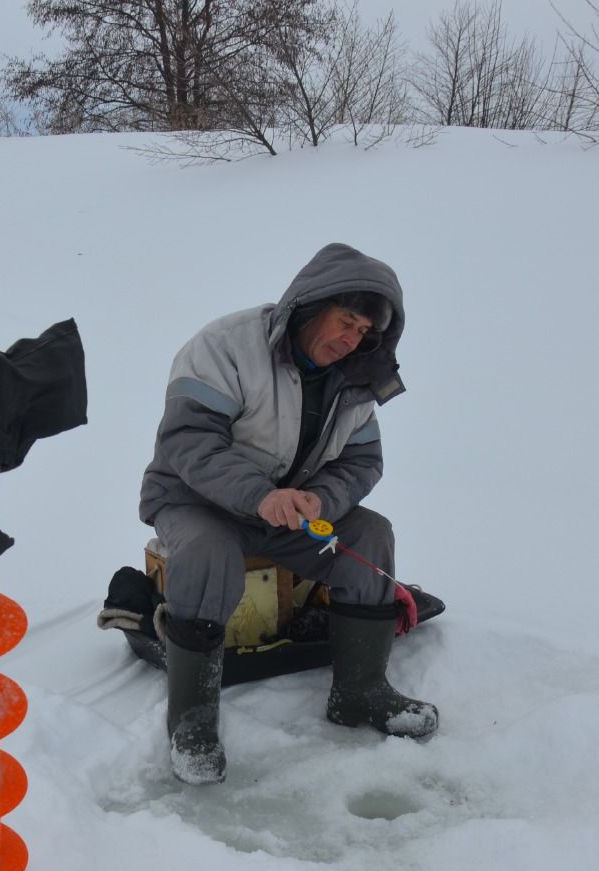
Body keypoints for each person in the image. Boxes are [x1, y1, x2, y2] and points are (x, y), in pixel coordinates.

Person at [139, 242, 439, 784]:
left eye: (363, 333)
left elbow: (362, 459)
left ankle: (360, 693)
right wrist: (260, 494)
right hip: (194, 499)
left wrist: (321, 500)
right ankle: (193, 723)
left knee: (370, 536)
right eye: (345, 321)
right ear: (309, 304)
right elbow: (190, 442)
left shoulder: (357, 378)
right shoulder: (225, 346)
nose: (351, 339)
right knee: (208, 552)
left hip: (288, 512)